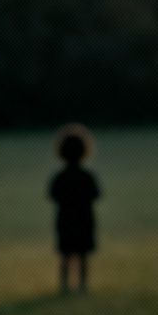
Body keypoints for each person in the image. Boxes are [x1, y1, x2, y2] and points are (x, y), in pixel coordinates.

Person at [48, 124, 101, 295]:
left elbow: (52, 196)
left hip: (65, 219)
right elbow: (96, 195)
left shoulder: (60, 177)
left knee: (66, 254)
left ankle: (64, 286)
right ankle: (82, 286)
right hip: (84, 219)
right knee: (83, 255)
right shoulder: (87, 177)